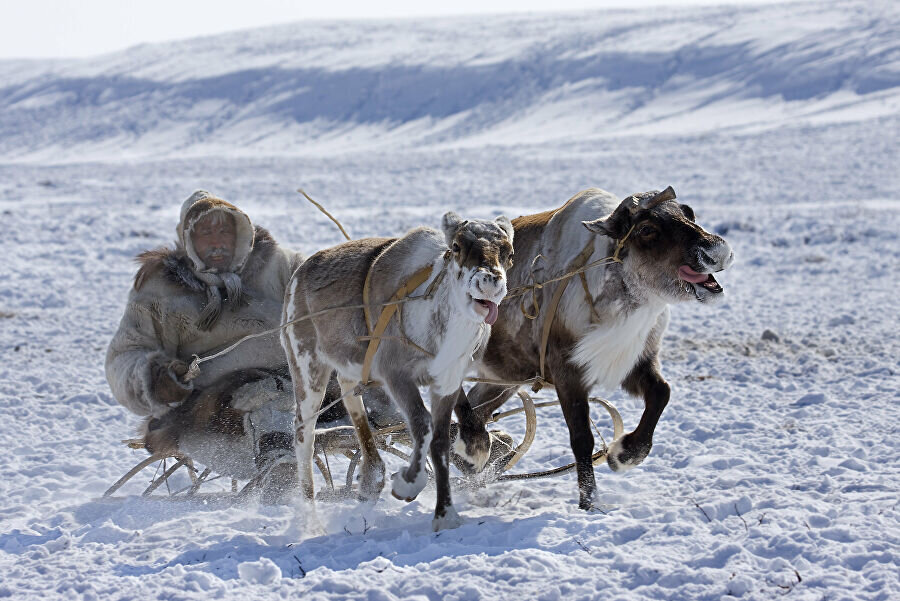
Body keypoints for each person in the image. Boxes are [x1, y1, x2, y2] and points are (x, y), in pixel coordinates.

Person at [105, 190, 349, 502]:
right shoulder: (159, 290)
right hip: (216, 416)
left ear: (242, 232)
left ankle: (405, 432)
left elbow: (325, 295)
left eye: (225, 230)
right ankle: (280, 468)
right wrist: (155, 379)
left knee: (358, 371)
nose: (217, 241)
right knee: (262, 391)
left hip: (308, 387)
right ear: (187, 238)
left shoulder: (279, 265)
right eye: (206, 232)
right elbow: (124, 356)